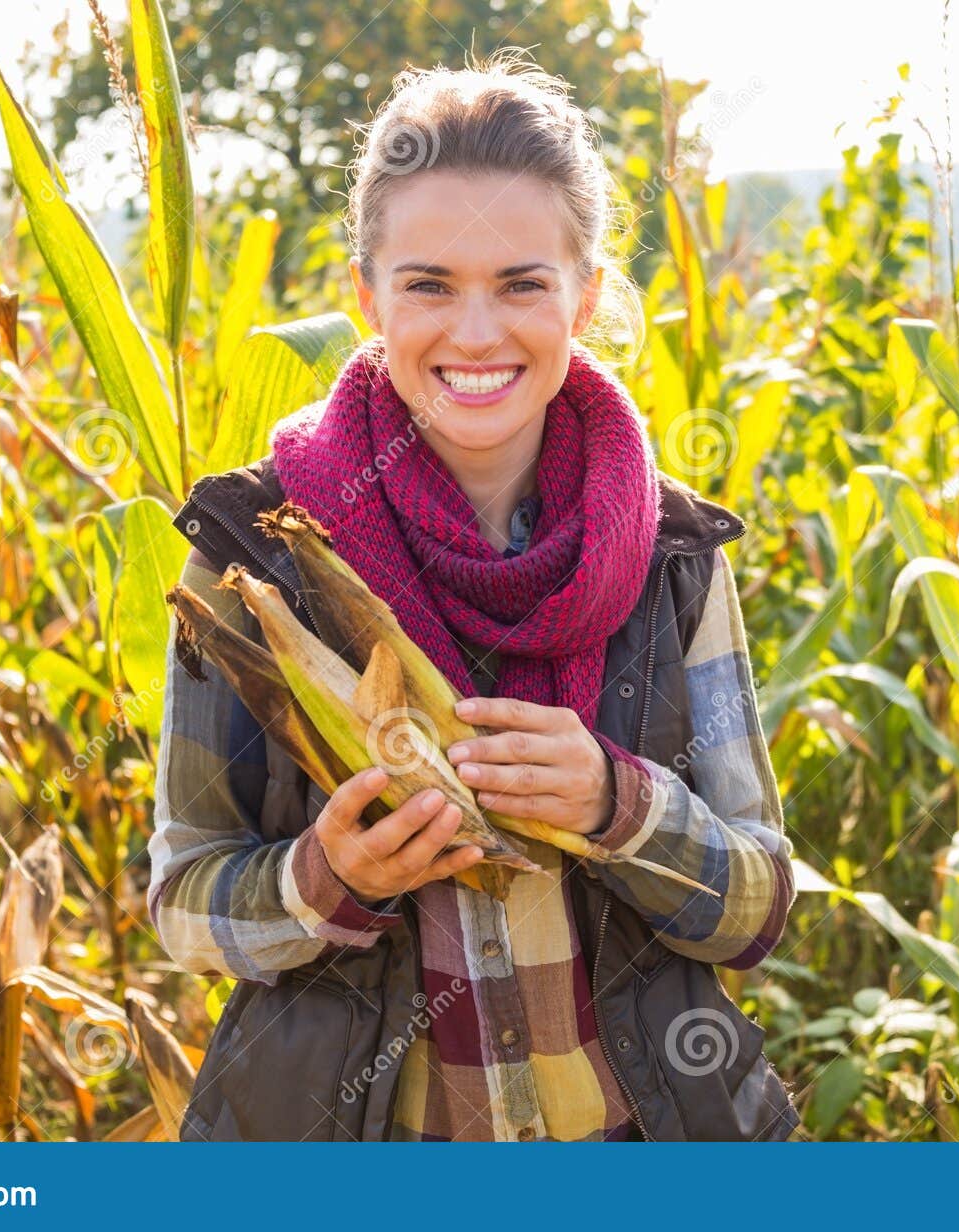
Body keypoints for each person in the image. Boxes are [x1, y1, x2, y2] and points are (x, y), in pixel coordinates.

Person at [149, 52, 799, 1142]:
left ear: (584, 296)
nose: (477, 333)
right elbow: (185, 904)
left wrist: (616, 803)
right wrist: (327, 875)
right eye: (429, 284)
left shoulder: (672, 554)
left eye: (521, 283)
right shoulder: (252, 554)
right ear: (367, 296)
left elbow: (757, 905)